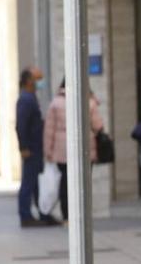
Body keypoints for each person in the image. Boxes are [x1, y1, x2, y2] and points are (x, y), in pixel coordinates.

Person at [43, 78, 104, 221]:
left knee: (65, 182)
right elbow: (98, 126)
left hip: (62, 150)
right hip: (86, 148)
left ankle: (66, 216)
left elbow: (49, 130)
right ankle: (83, 214)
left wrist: (48, 151)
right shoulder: (89, 102)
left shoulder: (56, 103)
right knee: (84, 182)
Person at [15, 68, 55, 227]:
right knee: (28, 183)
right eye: (38, 78)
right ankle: (25, 216)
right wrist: (23, 147)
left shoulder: (31, 98)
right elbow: (21, 125)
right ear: (29, 81)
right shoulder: (25, 99)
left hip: (36, 148)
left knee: (36, 183)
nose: (41, 81)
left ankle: (43, 213)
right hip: (30, 148)